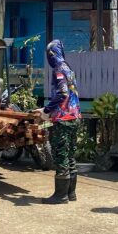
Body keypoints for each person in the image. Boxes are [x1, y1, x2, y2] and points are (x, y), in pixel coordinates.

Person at [38, 39, 82, 204]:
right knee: (70, 155)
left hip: (63, 119)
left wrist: (47, 110)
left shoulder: (58, 70)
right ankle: (71, 193)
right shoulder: (69, 68)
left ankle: (60, 195)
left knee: (61, 155)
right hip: (75, 116)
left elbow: (62, 93)